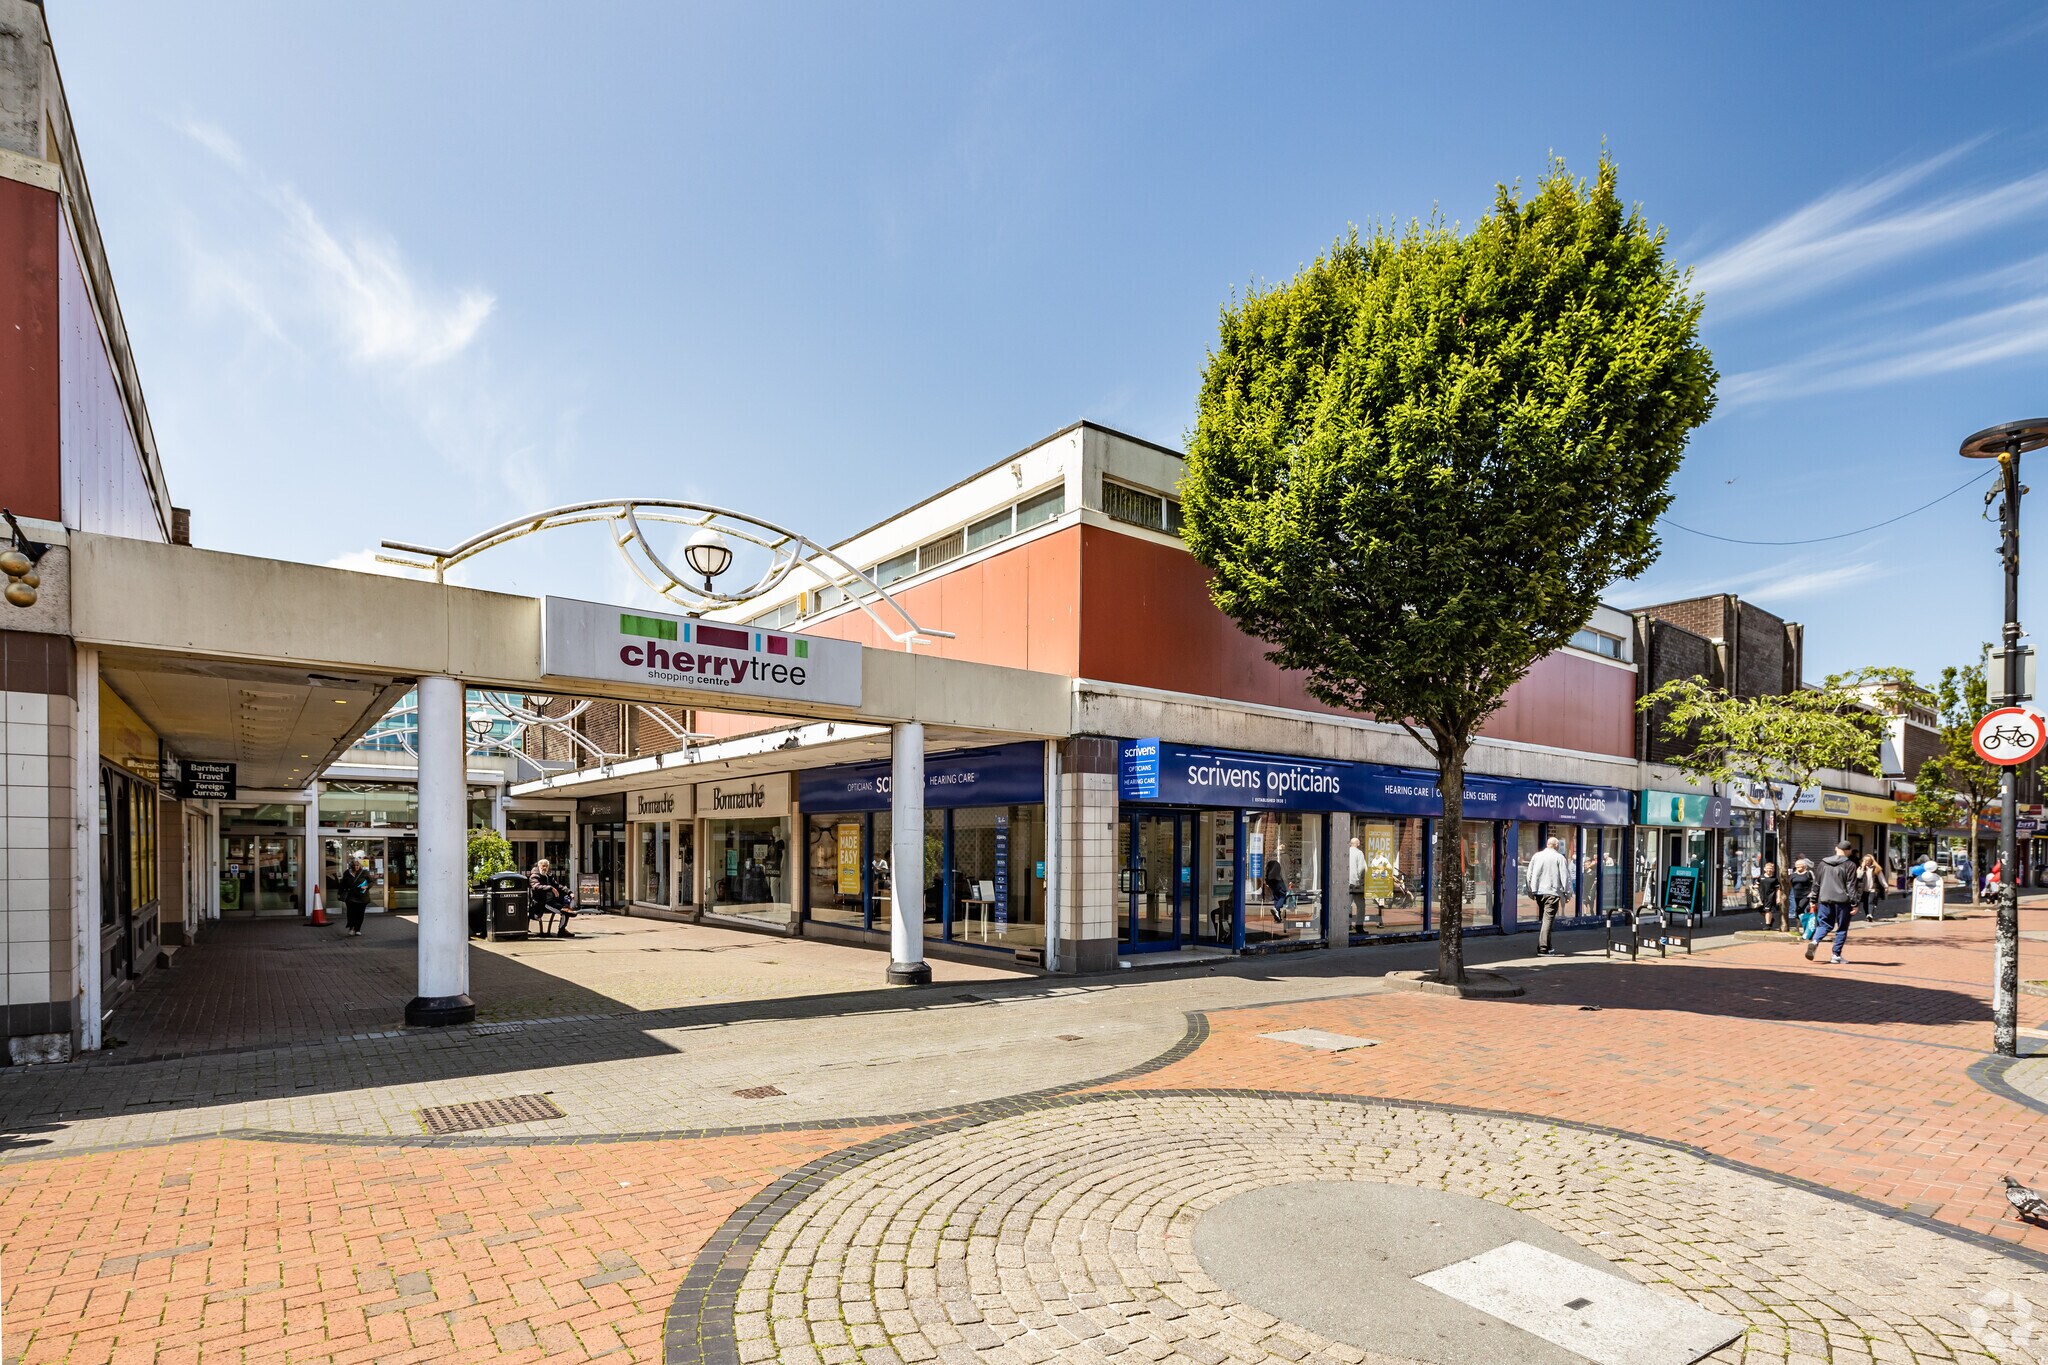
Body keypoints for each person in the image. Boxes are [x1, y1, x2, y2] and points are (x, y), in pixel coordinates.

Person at [1807, 840, 1859, 963]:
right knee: (1842, 928)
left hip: (1825, 899)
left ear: (1836, 848)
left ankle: (1815, 941)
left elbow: (1816, 883)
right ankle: (1836, 955)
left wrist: (1813, 899)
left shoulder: (1823, 863)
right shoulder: (1850, 865)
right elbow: (1851, 886)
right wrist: (1855, 903)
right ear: (1849, 851)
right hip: (1843, 901)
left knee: (1824, 925)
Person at [1526, 835, 1572, 956]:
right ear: (1556, 845)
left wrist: (1530, 890)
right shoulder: (1559, 857)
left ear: (1547, 844)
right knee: (1548, 920)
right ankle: (1543, 948)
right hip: (1552, 892)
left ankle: (1548, 946)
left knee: (1546, 919)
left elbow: (1529, 874)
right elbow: (1565, 876)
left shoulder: (1537, 856)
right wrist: (1568, 893)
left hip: (1539, 892)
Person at [529, 858, 574, 937]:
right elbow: (536, 886)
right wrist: (550, 888)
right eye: (543, 866)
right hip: (542, 903)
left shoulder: (548, 876)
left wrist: (569, 892)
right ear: (539, 866)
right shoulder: (535, 876)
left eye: (546, 866)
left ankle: (562, 930)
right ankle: (562, 931)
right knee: (564, 912)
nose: (545, 868)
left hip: (551, 901)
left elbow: (558, 886)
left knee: (567, 910)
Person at [338, 850, 372, 937]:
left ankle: (358, 929)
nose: (356, 867)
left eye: (357, 865)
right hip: (351, 897)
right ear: (351, 866)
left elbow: (371, 882)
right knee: (351, 913)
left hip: (362, 897)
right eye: (354, 865)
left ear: (360, 866)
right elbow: (343, 884)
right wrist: (340, 893)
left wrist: (367, 886)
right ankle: (351, 928)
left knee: (360, 913)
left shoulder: (364, 873)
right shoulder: (347, 873)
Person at [1857, 853, 1888, 924]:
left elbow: (1881, 878)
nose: (1867, 862)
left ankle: (1870, 915)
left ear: (1871, 861)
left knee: (1870, 902)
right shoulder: (1860, 868)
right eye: (1865, 860)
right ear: (1863, 861)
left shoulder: (1876, 869)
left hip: (1873, 889)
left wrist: (1885, 886)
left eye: (1868, 860)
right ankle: (1867, 915)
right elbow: (1859, 876)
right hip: (1864, 889)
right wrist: (1862, 867)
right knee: (1865, 903)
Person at [1787, 858, 1815, 932]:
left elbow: (1813, 883)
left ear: (1804, 866)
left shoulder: (1808, 874)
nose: (1798, 866)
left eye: (1800, 865)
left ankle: (1801, 926)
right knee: (1798, 910)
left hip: (1806, 895)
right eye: (1797, 865)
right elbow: (1789, 884)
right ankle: (1799, 926)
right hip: (1795, 895)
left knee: (1800, 908)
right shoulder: (1793, 875)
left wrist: (1812, 893)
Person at [1755, 861, 1782, 931]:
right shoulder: (1760, 877)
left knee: (1767, 910)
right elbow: (1757, 885)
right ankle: (1771, 919)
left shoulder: (1775, 879)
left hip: (1770, 897)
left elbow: (1778, 889)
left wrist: (1778, 898)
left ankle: (1767, 926)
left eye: (1771, 868)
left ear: (1773, 870)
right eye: (1768, 868)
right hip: (1761, 896)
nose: (1769, 870)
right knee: (1761, 911)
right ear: (1764, 869)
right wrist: (1753, 887)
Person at [1347, 836, 1366, 933]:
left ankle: (1347, 925)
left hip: (1347, 882)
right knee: (1361, 906)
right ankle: (1359, 926)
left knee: (1347, 905)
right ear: (1358, 844)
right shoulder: (1359, 853)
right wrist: (1360, 881)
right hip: (1356, 883)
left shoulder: (1346, 852)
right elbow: (1361, 869)